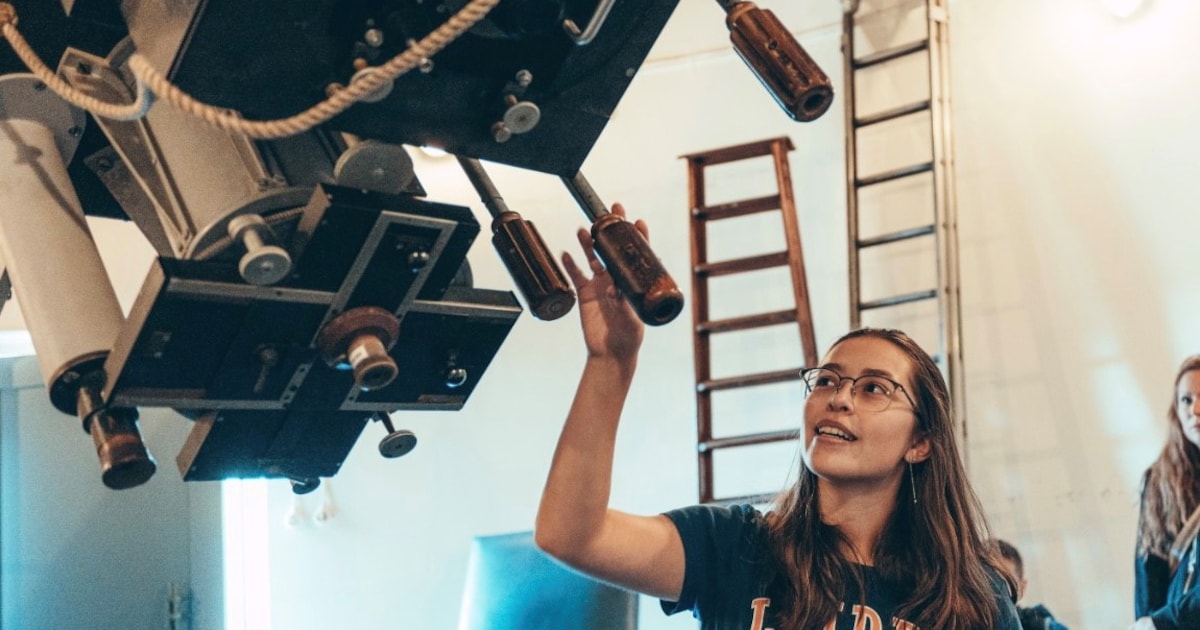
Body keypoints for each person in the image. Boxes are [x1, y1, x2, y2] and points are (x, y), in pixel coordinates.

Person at [534, 205, 1020, 629]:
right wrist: (611, 362)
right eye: (827, 379)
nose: (840, 398)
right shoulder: (735, 547)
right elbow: (571, 535)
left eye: (874, 388)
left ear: (921, 442)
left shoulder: (973, 598)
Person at [1132, 355, 1200, 630]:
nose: (1195, 410)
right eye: (1186, 400)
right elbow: (1148, 567)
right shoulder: (1159, 479)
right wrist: (1147, 623)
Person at [994, 539, 1069, 630]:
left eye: (1006, 583)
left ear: (1021, 589)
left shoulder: (1042, 626)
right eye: (987, 581)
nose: (995, 591)